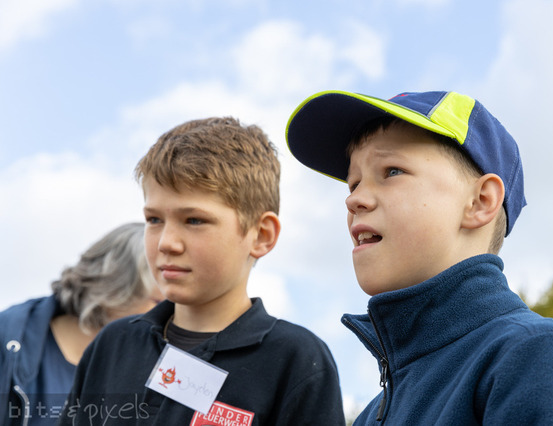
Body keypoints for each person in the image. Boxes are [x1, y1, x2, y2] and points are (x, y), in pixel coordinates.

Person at [286, 90, 553, 424]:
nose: (354, 200)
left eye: (391, 171)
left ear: (480, 202)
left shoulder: (538, 355)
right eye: (353, 184)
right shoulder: (369, 415)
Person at [58, 116, 345, 425]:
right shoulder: (113, 345)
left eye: (194, 220)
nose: (167, 242)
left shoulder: (296, 360)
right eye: (154, 220)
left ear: (261, 235)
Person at [1, 222, 162, 426]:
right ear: (116, 287)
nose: (168, 317)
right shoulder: (9, 340)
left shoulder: (154, 371)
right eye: (158, 303)